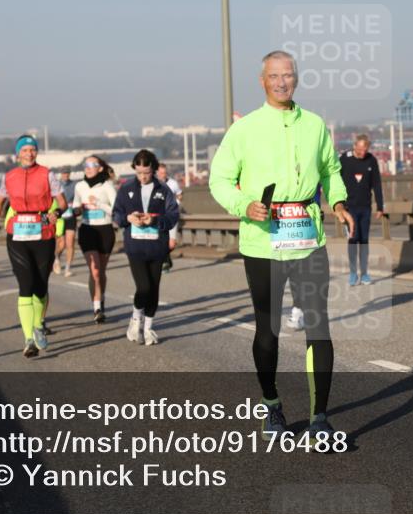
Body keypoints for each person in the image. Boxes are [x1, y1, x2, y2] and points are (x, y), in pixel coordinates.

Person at [210, 50, 353, 441]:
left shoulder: (315, 125)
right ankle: (271, 406)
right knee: (268, 330)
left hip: (308, 238)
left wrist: (338, 201)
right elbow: (219, 180)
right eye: (274, 76)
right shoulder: (245, 129)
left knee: (319, 326)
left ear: (296, 79)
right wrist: (244, 205)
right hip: (262, 242)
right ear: (262, 81)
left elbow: (331, 170)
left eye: (287, 75)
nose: (281, 82)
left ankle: (320, 419)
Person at [0, 135, 67, 359]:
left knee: (40, 285)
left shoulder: (47, 174)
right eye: (25, 150)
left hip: (43, 232)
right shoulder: (9, 177)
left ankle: (39, 324)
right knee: (25, 285)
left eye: (33, 149)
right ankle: (28, 340)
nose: (29, 153)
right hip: (18, 234)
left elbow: (62, 202)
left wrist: (56, 213)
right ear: (18, 153)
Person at [113, 150, 179, 345]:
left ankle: (149, 327)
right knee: (144, 287)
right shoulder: (126, 189)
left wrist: (155, 220)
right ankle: (135, 318)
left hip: (157, 246)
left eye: (147, 173)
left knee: (154, 288)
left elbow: (173, 216)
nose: (143, 176)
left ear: (154, 170)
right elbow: (116, 214)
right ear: (134, 169)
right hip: (135, 246)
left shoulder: (164, 189)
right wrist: (127, 218)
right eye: (139, 172)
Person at [73, 155, 118, 323]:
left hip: (105, 230)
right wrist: (77, 209)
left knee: (101, 272)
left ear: (100, 168)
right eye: (86, 164)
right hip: (87, 230)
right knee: (95, 270)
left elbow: (116, 209)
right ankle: (97, 308)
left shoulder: (107, 186)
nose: (88, 167)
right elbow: (75, 206)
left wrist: (99, 204)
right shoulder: (79, 186)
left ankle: (101, 299)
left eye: (92, 164)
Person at [340, 134, 385, 286]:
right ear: (354, 147)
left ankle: (364, 273)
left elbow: (377, 184)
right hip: (349, 207)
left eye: (364, 150)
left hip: (365, 206)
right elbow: (336, 180)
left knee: (364, 240)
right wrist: (339, 204)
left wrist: (380, 205)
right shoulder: (344, 159)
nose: (362, 153)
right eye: (359, 149)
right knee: (353, 239)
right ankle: (353, 273)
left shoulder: (371, 160)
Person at [156, 163, 183, 273]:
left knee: (171, 244)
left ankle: (166, 258)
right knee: (161, 241)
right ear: (157, 173)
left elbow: (180, 194)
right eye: (161, 173)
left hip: (171, 216)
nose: (163, 175)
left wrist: (177, 203)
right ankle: (165, 262)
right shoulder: (154, 184)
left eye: (165, 172)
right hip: (159, 217)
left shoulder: (173, 183)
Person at [55, 166, 77, 277]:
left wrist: (77, 207)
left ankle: (68, 268)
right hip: (60, 217)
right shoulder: (56, 185)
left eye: (67, 173)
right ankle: (57, 259)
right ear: (61, 174)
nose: (66, 175)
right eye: (64, 173)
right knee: (62, 244)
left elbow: (78, 198)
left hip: (71, 216)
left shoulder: (74, 185)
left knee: (70, 242)